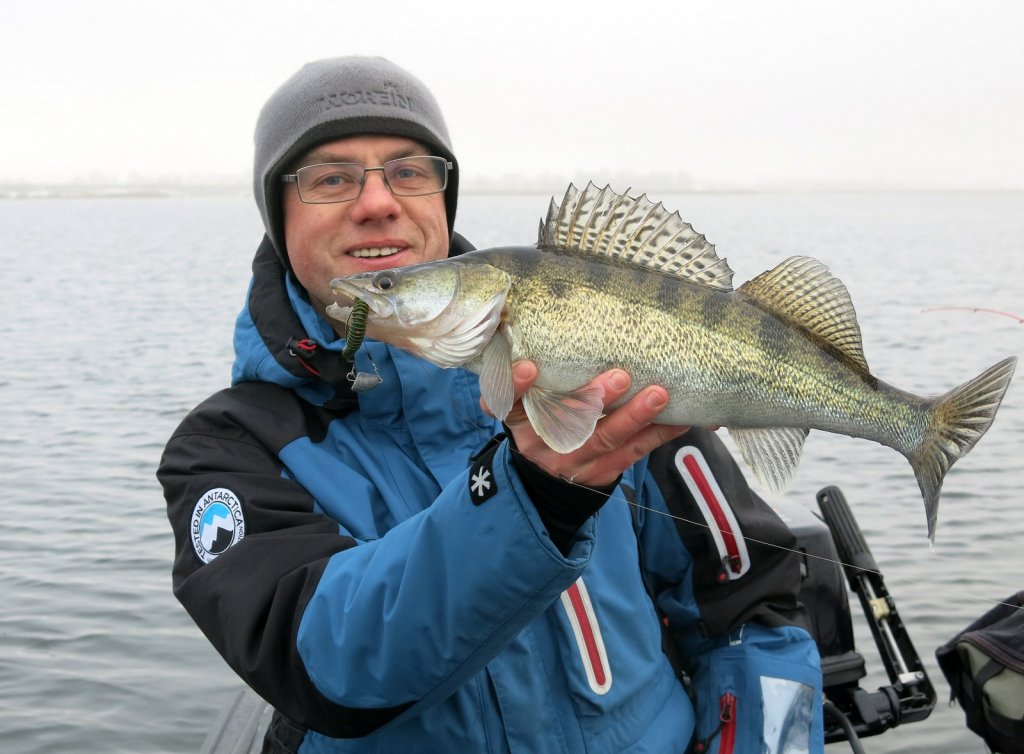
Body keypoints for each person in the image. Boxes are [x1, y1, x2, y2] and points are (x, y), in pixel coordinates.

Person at [159, 56, 825, 753]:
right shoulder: (229, 448)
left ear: (441, 200)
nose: (378, 201)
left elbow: (753, 603)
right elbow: (326, 664)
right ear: (278, 214)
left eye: (410, 171)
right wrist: (529, 497)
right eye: (331, 179)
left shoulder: (602, 380)